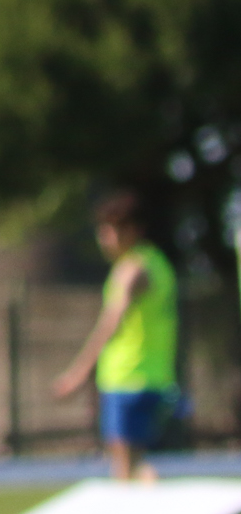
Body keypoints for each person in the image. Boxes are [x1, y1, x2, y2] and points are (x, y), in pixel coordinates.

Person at [52, 190, 179, 481]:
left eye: (113, 231)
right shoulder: (159, 264)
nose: (106, 239)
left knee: (126, 470)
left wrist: (78, 373)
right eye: (104, 231)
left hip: (126, 378)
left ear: (134, 230)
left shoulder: (131, 270)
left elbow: (110, 323)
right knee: (134, 463)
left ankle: (151, 494)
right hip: (157, 378)